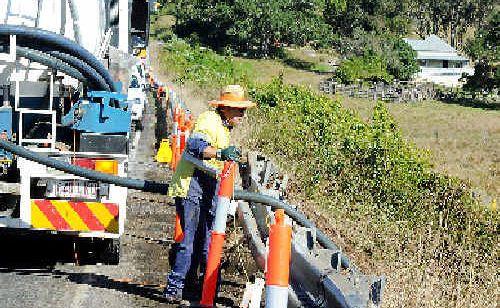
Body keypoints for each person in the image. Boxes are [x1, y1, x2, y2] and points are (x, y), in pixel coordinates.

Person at [164, 85, 256, 301]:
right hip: (191, 187)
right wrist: (221, 153)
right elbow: (196, 145)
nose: (242, 115)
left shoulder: (222, 127)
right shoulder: (209, 120)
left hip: (206, 190)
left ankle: (193, 285)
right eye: (239, 110)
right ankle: (174, 288)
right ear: (225, 108)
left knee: (203, 242)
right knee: (190, 241)